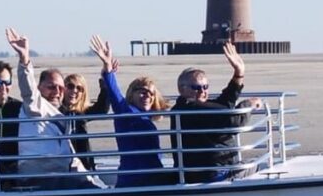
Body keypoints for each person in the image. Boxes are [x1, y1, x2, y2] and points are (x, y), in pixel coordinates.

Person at [6, 27, 98, 190]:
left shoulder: (61, 118)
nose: (57, 92)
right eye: (51, 87)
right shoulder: (34, 106)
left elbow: (71, 159)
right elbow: (28, 89)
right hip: (36, 178)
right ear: (40, 87)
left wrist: (94, 184)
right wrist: (24, 58)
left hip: (60, 176)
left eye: (61, 88)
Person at [170, 41, 262, 183]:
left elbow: (223, 105)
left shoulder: (189, 107)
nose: (202, 91)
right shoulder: (191, 109)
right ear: (182, 89)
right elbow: (234, 122)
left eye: (205, 86)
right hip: (214, 173)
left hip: (208, 171)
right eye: (196, 87)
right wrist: (249, 104)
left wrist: (239, 74)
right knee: (262, 165)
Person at [90, 35, 175, 187]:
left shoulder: (148, 119)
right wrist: (108, 69)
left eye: (150, 93)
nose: (146, 95)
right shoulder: (127, 111)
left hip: (155, 176)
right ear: (132, 94)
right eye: (141, 91)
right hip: (134, 179)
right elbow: (115, 95)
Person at [61, 73, 111, 171]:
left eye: (79, 89)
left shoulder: (82, 112)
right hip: (62, 161)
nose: (74, 91)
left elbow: (102, 108)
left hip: (83, 161)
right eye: (70, 86)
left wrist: (105, 81)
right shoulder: (54, 111)